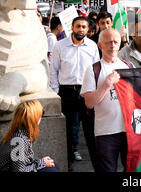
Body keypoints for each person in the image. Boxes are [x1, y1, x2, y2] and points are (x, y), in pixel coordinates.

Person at [49, 16, 100, 171]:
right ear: (72, 27)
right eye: (78, 26)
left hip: (86, 92)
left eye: (83, 27)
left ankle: (98, 165)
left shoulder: (92, 46)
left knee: (90, 130)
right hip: (67, 92)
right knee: (68, 130)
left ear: (87, 29)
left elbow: (96, 70)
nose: (81, 30)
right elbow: (53, 70)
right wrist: (56, 91)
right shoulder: (60, 46)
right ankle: (68, 162)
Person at [81, 28, 133, 172]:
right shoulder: (93, 70)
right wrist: (106, 84)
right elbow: (89, 103)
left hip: (129, 130)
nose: (112, 45)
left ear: (120, 45)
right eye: (108, 42)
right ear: (100, 45)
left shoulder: (129, 67)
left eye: (116, 42)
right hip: (106, 132)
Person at [0, 100, 58, 172]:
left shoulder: (19, 134)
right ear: (34, 118)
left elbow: (23, 165)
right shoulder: (19, 141)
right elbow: (20, 170)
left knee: (52, 166)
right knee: (51, 169)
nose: (41, 117)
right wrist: (42, 162)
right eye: (41, 113)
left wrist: (42, 163)